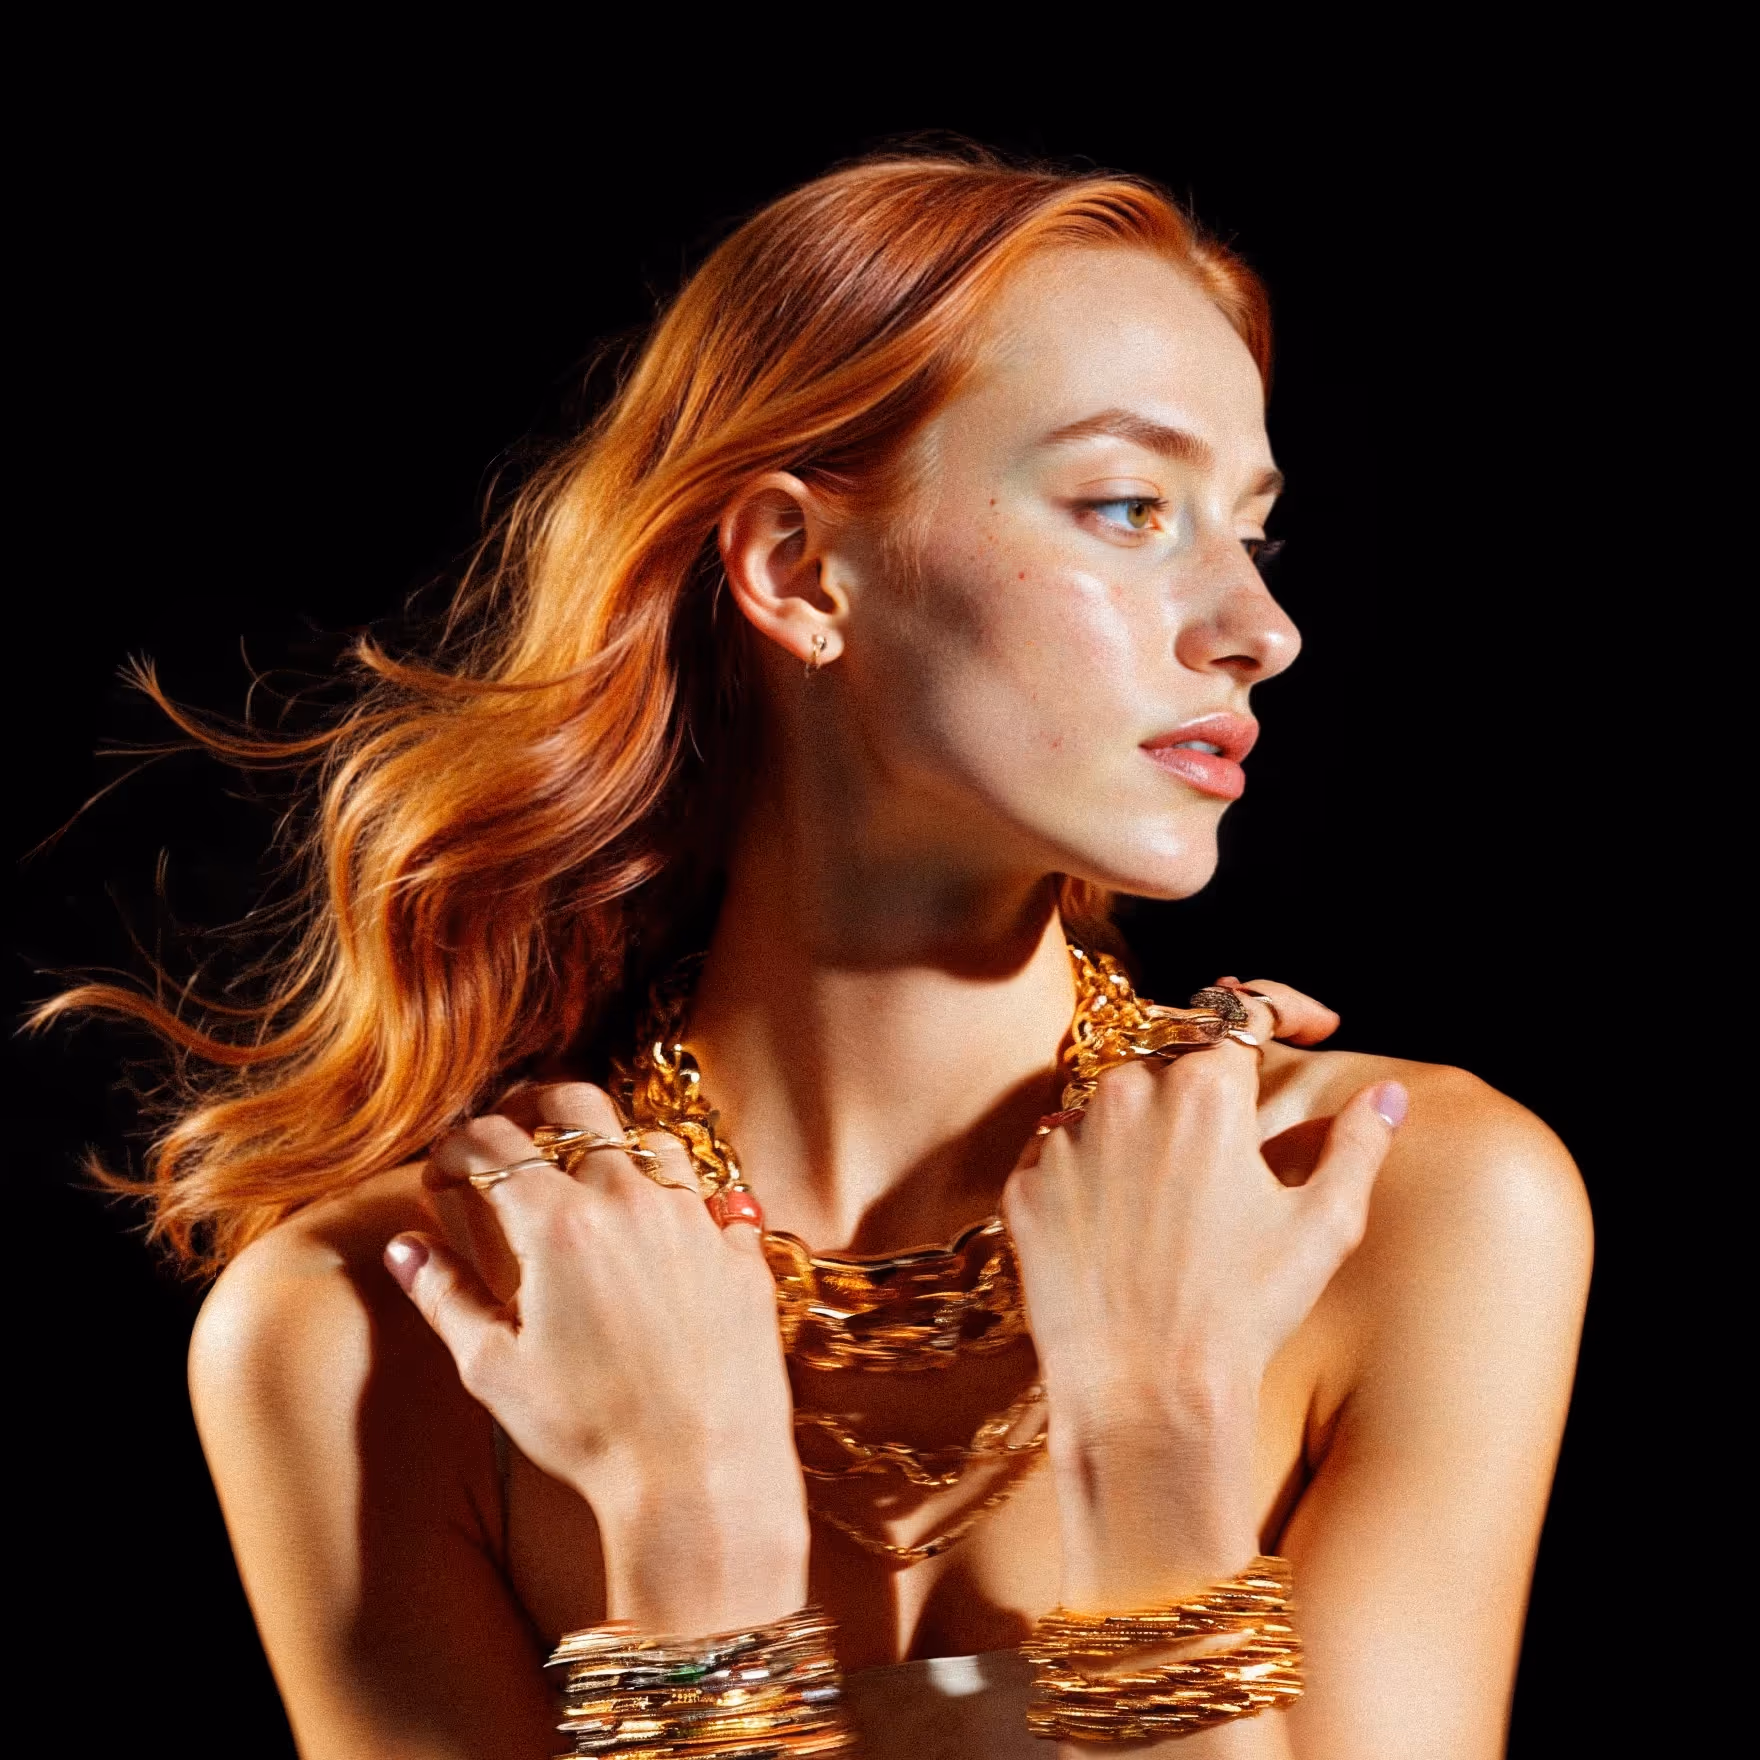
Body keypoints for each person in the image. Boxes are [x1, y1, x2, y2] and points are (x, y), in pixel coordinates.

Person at [48, 151, 1591, 1758]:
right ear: (795, 567)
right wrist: (689, 1537)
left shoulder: (1396, 1203)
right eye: (1131, 508)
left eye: (1253, 534)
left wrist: (1157, 1437)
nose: (1256, 628)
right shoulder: (380, 1328)